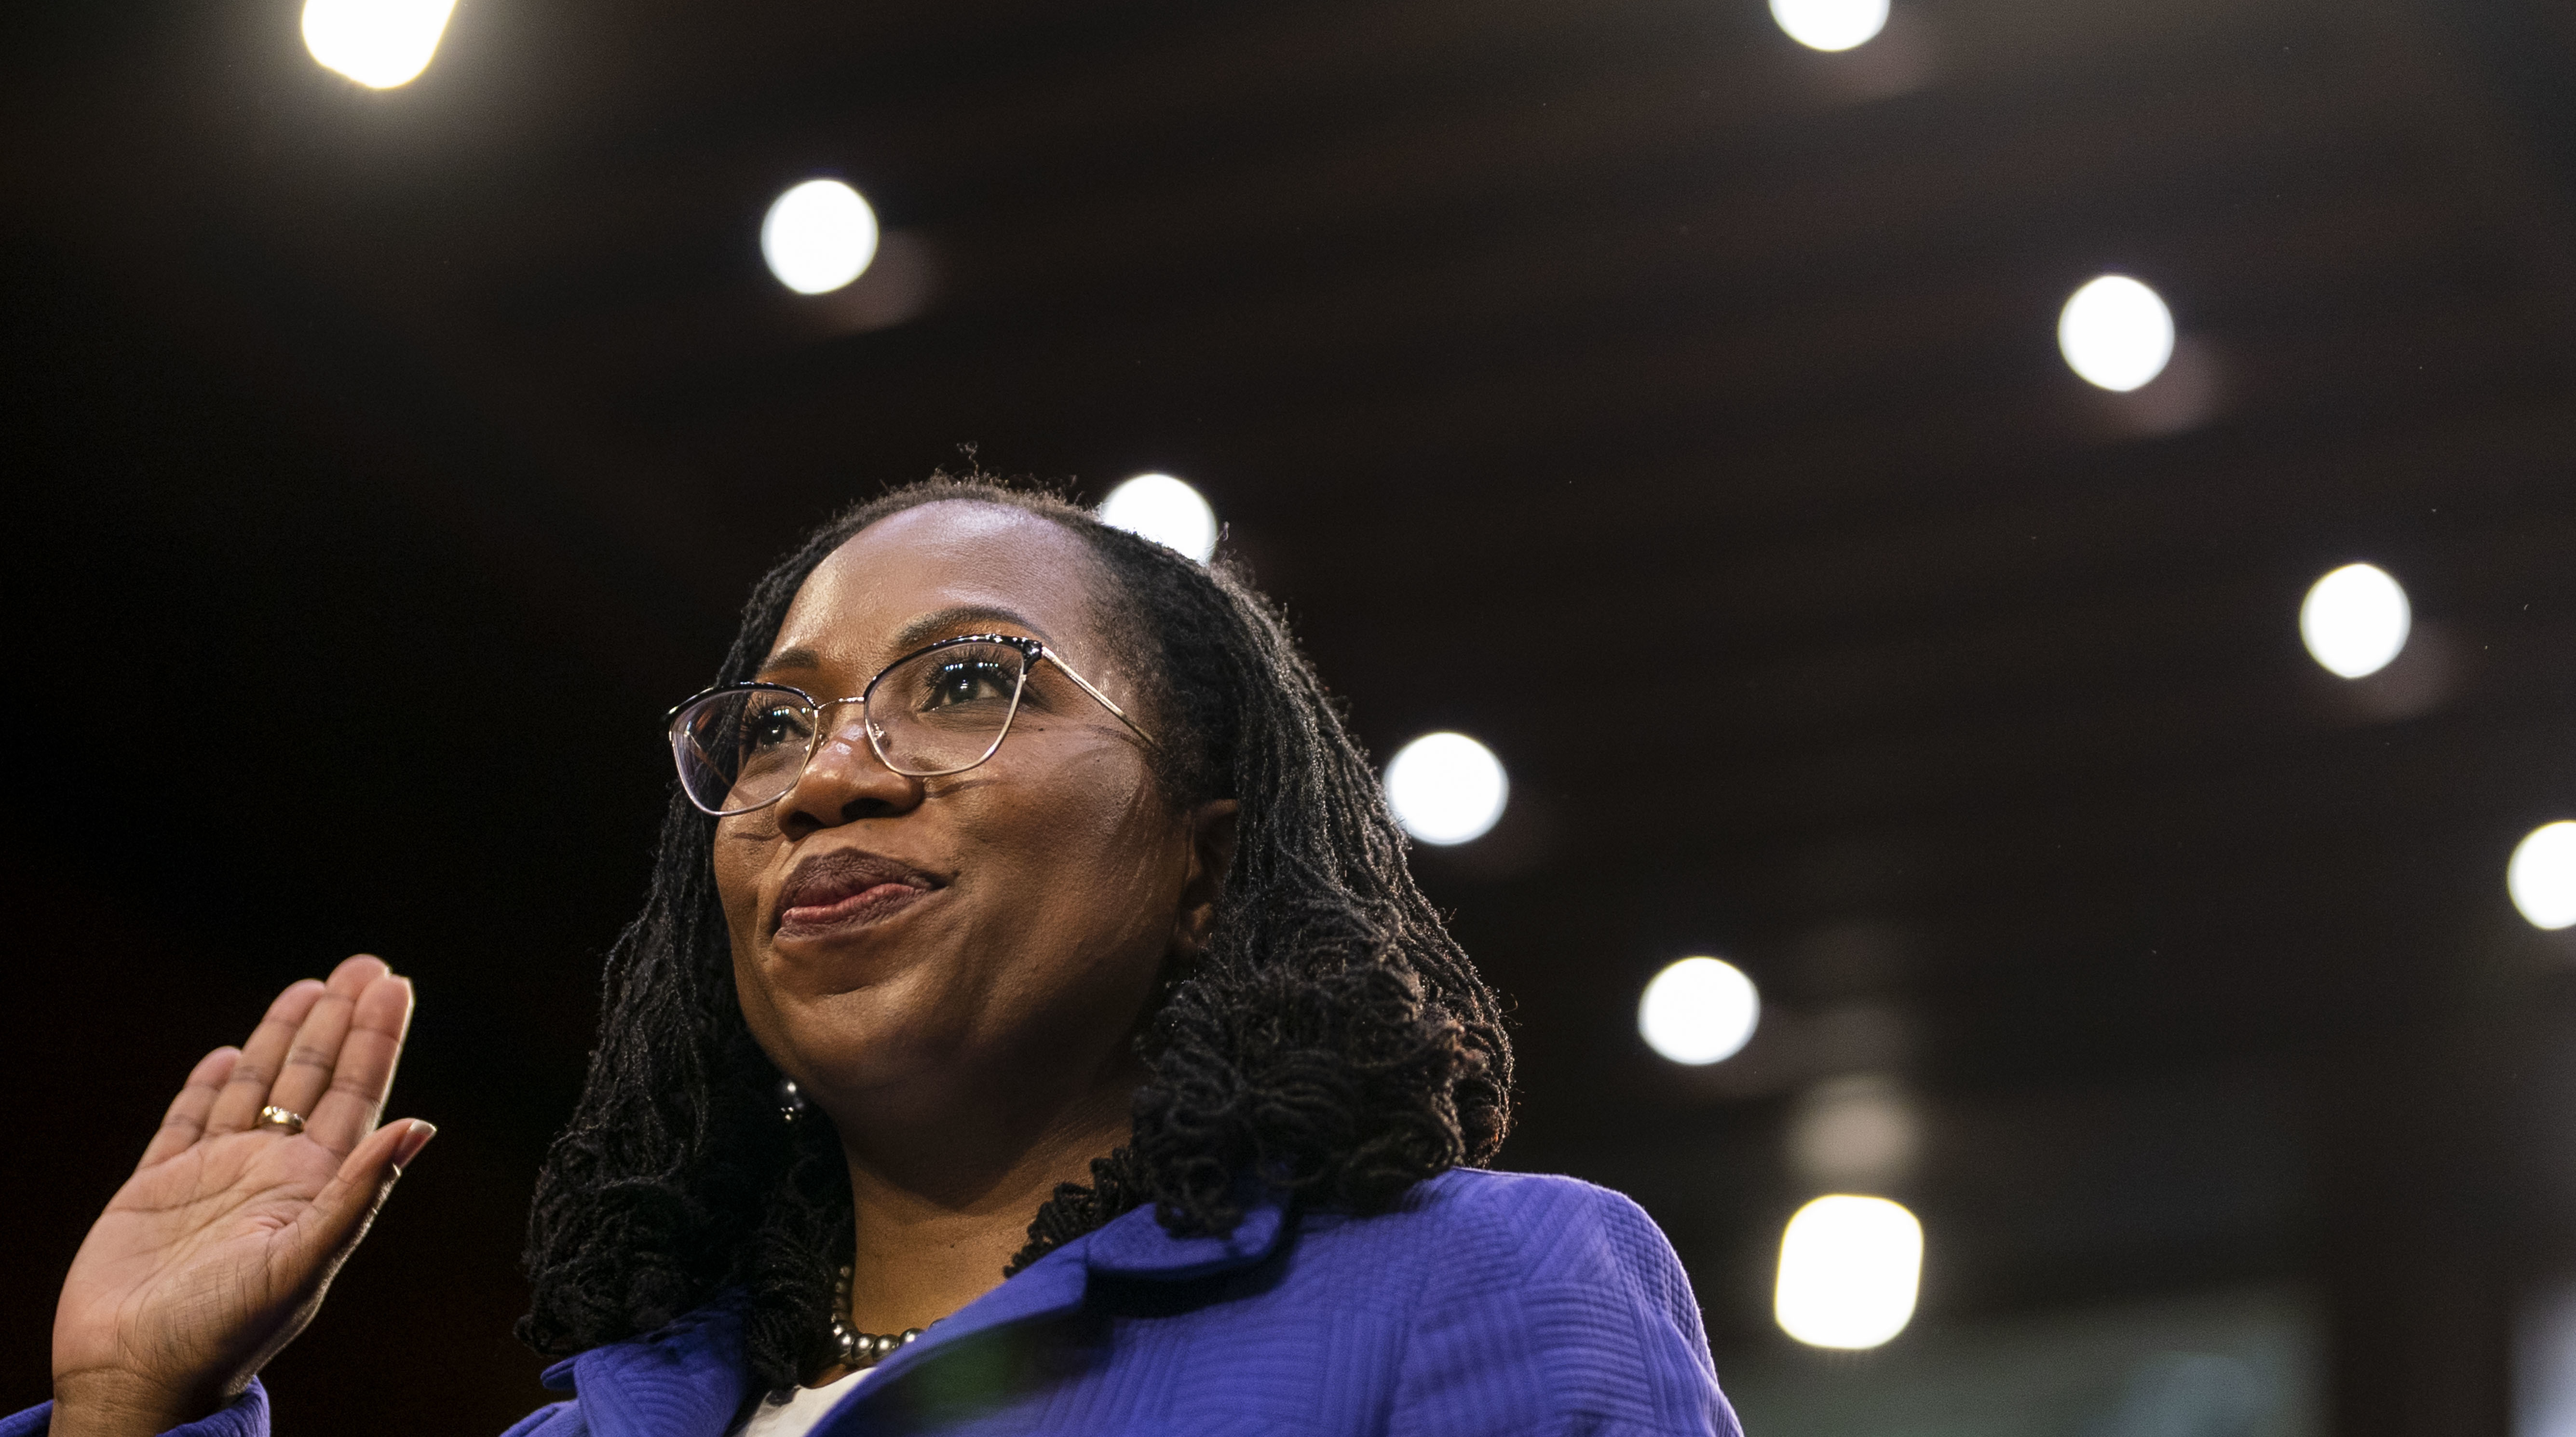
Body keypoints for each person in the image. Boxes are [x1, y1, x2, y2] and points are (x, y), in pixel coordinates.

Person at [28, 478, 1739, 1437]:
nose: (832, 772)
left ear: (1204, 868)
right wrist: (128, 1417)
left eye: (971, 681)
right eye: (774, 725)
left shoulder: (1482, 1290)